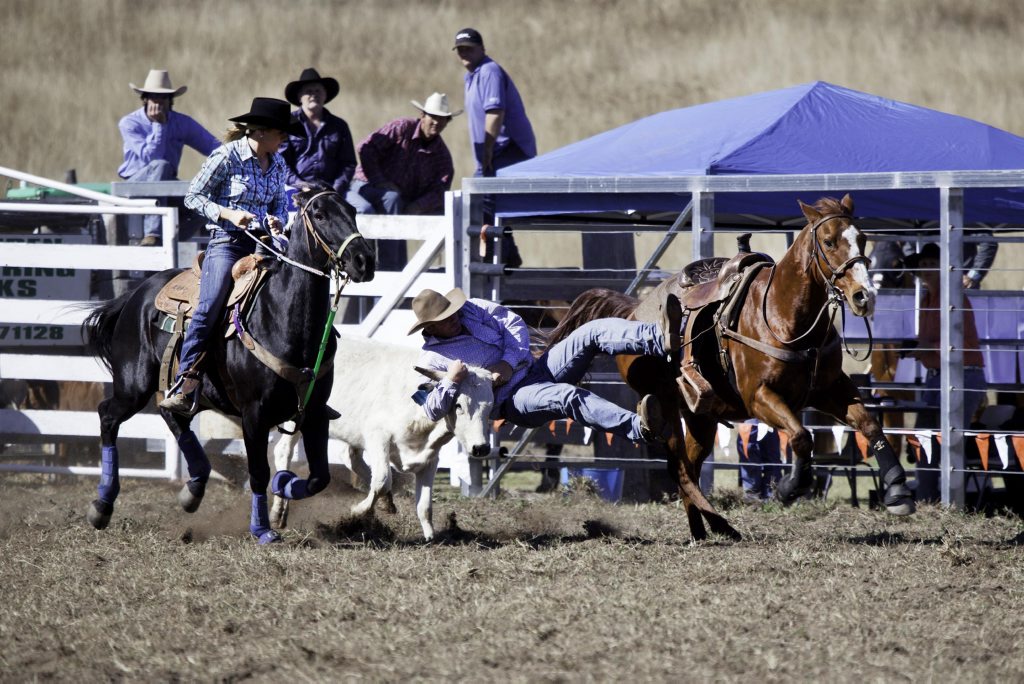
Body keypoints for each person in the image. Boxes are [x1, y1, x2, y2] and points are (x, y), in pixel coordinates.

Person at [160, 98, 305, 415]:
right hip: (227, 241)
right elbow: (193, 196)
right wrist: (227, 213)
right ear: (261, 131)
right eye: (281, 133)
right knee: (210, 306)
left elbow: (279, 204)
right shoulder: (226, 157)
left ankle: (304, 385)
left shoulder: (277, 164)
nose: (285, 139)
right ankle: (186, 382)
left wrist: (276, 219)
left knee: (296, 294)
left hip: (264, 243)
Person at [408, 287, 683, 446]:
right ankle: (642, 428)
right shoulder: (431, 361)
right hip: (513, 401)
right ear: (430, 327)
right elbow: (431, 409)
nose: (454, 318)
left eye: (452, 311)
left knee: (592, 331)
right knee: (567, 397)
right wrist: (452, 381)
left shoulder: (473, 309)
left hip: (537, 368)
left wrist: (507, 361)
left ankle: (663, 338)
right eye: (445, 319)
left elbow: (513, 324)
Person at [905, 243, 987, 501]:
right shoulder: (928, 298)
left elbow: (959, 345)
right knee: (927, 438)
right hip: (937, 376)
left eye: (932, 264)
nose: (927, 269)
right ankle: (927, 498)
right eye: (923, 265)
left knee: (951, 439)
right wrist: (917, 348)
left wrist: (923, 348)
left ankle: (956, 501)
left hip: (962, 374)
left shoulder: (953, 298)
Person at [345, 92, 459, 268]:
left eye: (442, 118)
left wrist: (419, 205)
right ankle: (380, 268)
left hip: (397, 202)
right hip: (365, 186)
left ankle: (392, 276)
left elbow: (440, 191)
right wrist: (379, 180)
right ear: (422, 115)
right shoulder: (401, 127)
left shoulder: (442, 157)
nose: (436, 122)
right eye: (433, 116)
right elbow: (366, 148)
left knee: (395, 205)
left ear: (447, 122)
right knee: (390, 200)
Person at [454, 27, 537, 266]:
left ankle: (500, 262)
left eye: (469, 47)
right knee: (489, 208)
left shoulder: (489, 71)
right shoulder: (472, 75)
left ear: (482, 48)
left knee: (481, 204)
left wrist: (487, 149)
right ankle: (505, 259)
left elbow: (495, 113)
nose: (464, 52)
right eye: (460, 49)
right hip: (497, 151)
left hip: (506, 149)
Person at [117, 69, 219, 246]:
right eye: (153, 96)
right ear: (145, 99)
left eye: (162, 97)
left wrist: (237, 157)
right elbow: (151, 157)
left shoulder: (181, 123)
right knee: (161, 165)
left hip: (167, 184)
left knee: (204, 203)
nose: (158, 101)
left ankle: (170, 241)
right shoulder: (130, 123)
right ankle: (153, 234)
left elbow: (211, 145)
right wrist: (159, 125)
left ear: (170, 100)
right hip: (135, 185)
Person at [279, 67, 357, 196]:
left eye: (318, 91)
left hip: (333, 190)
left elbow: (348, 163)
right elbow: (281, 163)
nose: (313, 95)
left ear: (325, 95)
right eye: (309, 91)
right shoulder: (288, 124)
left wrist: (336, 188)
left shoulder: (339, 126)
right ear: (300, 97)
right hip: (295, 189)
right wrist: (302, 186)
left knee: (364, 208)